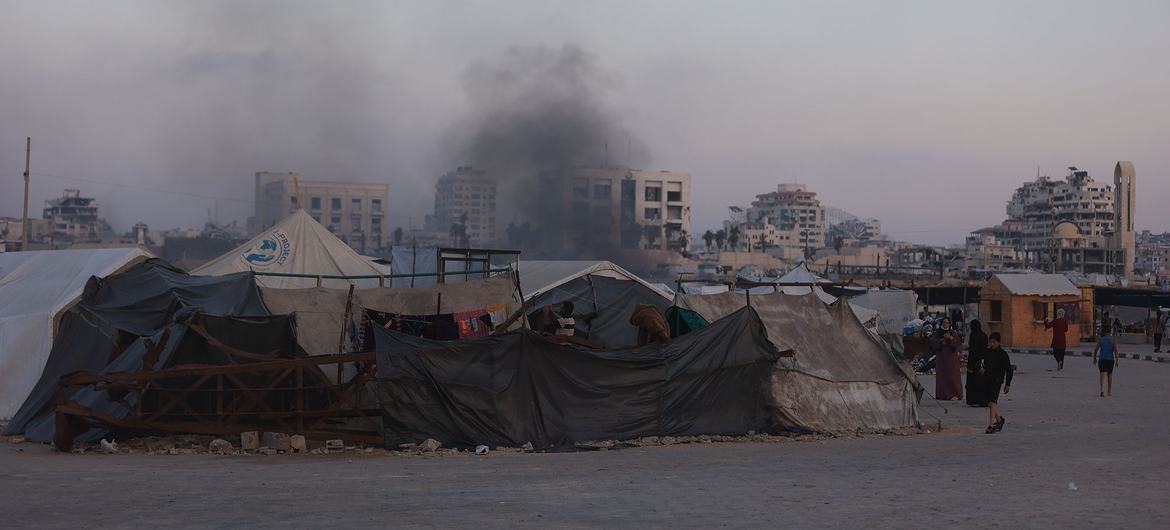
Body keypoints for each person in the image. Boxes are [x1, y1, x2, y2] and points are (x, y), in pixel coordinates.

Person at [983, 332, 1013, 434]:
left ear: (998, 342)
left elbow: (1009, 370)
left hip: (997, 380)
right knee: (989, 403)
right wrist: (983, 369)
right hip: (988, 379)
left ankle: (991, 425)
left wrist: (1007, 384)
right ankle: (999, 420)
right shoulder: (987, 352)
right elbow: (985, 364)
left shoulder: (1003, 354)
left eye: (994, 342)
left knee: (993, 401)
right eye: (990, 342)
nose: (992, 344)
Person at [930, 317, 963, 400]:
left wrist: (950, 339)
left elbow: (957, 343)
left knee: (953, 376)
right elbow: (933, 342)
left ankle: (954, 394)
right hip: (941, 359)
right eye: (944, 322)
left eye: (947, 322)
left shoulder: (953, 333)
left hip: (951, 359)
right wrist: (941, 341)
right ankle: (943, 395)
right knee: (942, 377)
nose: (945, 324)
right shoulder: (937, 333)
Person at [965, 319, 989, 407]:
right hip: (973, 361)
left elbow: (983, 350)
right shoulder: (974, 335)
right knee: (973, 381)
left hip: (978, 362)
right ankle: (974, 400)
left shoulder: (981, 336)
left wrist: (980, 360)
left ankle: (980, 400)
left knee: (979, 381)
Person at [1092, 326, 1119, 397]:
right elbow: (1116, 350)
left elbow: (1096, 350)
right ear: (1110, 332)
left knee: (1102, 374)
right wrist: (1117, 361)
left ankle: (1101, 390)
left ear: (1104, 332)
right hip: (1110, 360)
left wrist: (1094, 359)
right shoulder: (1113, 340)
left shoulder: (1101, 339)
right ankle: (1109, 391)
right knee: (1109, 375)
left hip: (1102, 359)